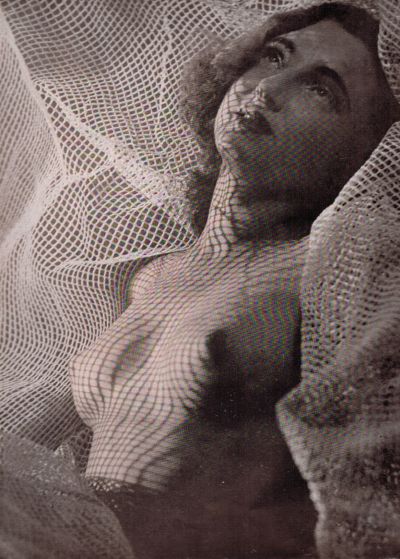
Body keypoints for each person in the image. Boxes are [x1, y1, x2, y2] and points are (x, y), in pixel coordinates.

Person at [70, 3, 398, 558]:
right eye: (274, 56)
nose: (267, 89)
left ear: (369, 153)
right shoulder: (153, 276)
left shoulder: (337, 277)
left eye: (321, 90)